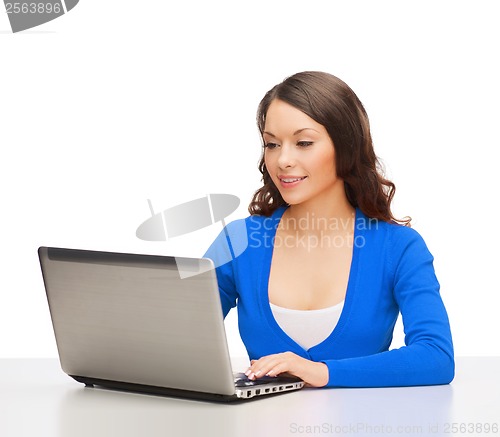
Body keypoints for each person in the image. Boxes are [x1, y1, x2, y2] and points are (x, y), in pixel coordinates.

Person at [204, 71, 454, 388]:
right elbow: (177, 336)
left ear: (346, 147)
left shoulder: (399, 247)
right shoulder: (238, 241)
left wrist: (322, 373)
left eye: (304, 142)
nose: (283, 160)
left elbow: (436, 357)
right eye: (272, 144)